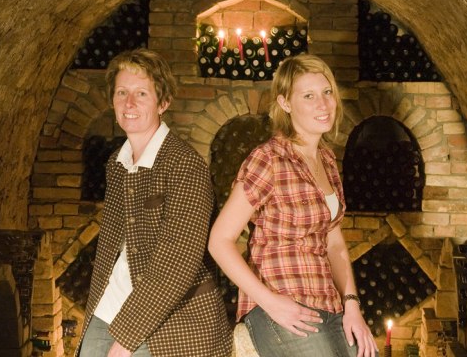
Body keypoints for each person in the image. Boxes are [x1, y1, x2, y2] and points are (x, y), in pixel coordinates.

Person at [209, 54, 377, 357]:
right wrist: (269, 301)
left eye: (327, 93)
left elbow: (334, 242)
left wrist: (352, 305)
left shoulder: (327, 161)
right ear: (285, 103)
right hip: (281, 303)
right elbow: (219, 241)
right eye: (309, 96)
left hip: (328, 302)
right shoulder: (268, 159)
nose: (323, 104)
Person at [78, 49, 232, 357]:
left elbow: (178, 263)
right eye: (122, 92)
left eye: (141, 94)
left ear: (163, 102)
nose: (129, 103)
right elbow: (111, 248)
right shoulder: (116, 163)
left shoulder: (184, 165)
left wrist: (124, 342)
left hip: (177, 318)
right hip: (110, 308)